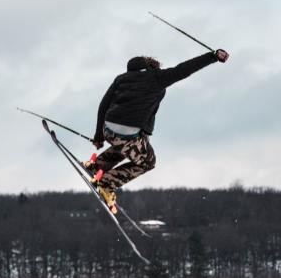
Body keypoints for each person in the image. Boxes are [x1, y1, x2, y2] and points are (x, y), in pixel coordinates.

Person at [84, 49, 229, 212]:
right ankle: (107, 183)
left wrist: (98, 136)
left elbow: (103, 105)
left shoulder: (121, 79)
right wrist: (212, 57)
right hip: (127, 132)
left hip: (108, 128)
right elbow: (184, 69)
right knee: (147, 162)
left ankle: (97, 166)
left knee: (134, 146)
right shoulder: (156, 77)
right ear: (150, 66)